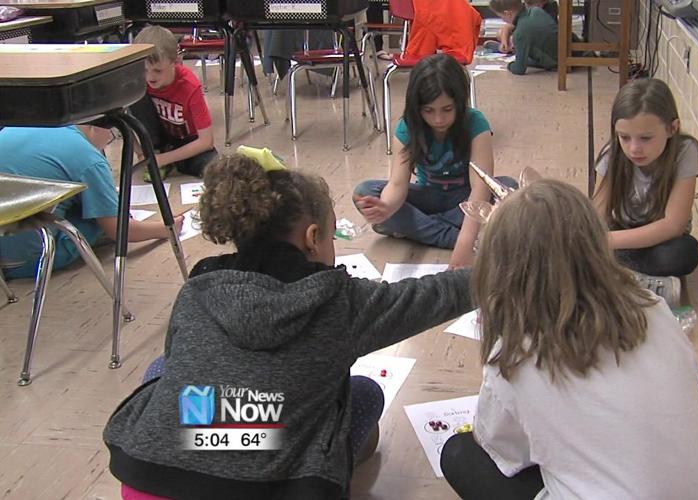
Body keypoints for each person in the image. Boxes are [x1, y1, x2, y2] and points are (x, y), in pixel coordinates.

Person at [103, 151, 475, 500]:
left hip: (150, 481)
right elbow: (437, 294)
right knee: (363, 395)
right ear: (313, 238)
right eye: (331, 236)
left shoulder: (197, 289)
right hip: (275, 488)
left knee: (163, 371)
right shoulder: (341, 302)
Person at [439, 179, 698, 500]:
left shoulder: (511, 355)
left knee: (459, 453)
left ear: (500, 268)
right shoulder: (651, 306)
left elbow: (503, 450)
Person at [353, 54, 514, 269]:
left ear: (459, 103)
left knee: (510, 191)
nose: (438, 119)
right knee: (365, 191)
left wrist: (464, 245)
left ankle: (420, 228)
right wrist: (386, 207)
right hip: (428, 195)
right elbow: (398, 184)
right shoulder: (408, 127)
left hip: (464, 199)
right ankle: (456, 235)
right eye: (429, 111)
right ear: (417, 108)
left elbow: (480, 189)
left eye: (447, 110)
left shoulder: (475, 123)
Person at [0, 125, 181, 280]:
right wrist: (166, 229)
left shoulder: (29, 124)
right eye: (112, 137)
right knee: (98, 220)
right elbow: (119, 231)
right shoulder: (88, 158)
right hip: (24, 261)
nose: (109, 141)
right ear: (99, 127)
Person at [593, 78, 698, 306]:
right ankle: (639, 279)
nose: (634, 148)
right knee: (580, 243)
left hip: (661, 241)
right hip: (622, 232)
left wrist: (607, 241)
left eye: (646, 138)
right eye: (624, 137)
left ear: (672, 128)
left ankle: (621, 274)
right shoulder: (612, 154)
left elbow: (673, 225)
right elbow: (597, 212)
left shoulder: (685, 152)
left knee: (685, 253)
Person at [129, 25, 217, 181]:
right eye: (144, 69)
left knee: (216, 169)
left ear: (174, 61)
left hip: (188, 142)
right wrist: (141, 152)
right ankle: (156, 153)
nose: (150, 77)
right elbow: (121, 122)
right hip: (159, 141)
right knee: (136, 93)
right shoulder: (138, 81)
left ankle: (165, 161)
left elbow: (206, 141)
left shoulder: (189, 85)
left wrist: (165, 159)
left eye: (158, 70)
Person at [490, 0, 559, 75]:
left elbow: (518, 70)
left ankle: (498, 48)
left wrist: (509, 65)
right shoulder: (536, 11)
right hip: (566, 52)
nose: (502, 20)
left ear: (508, 14)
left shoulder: (519, 33)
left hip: (555, 62)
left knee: (523, 59)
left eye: (501, 17)